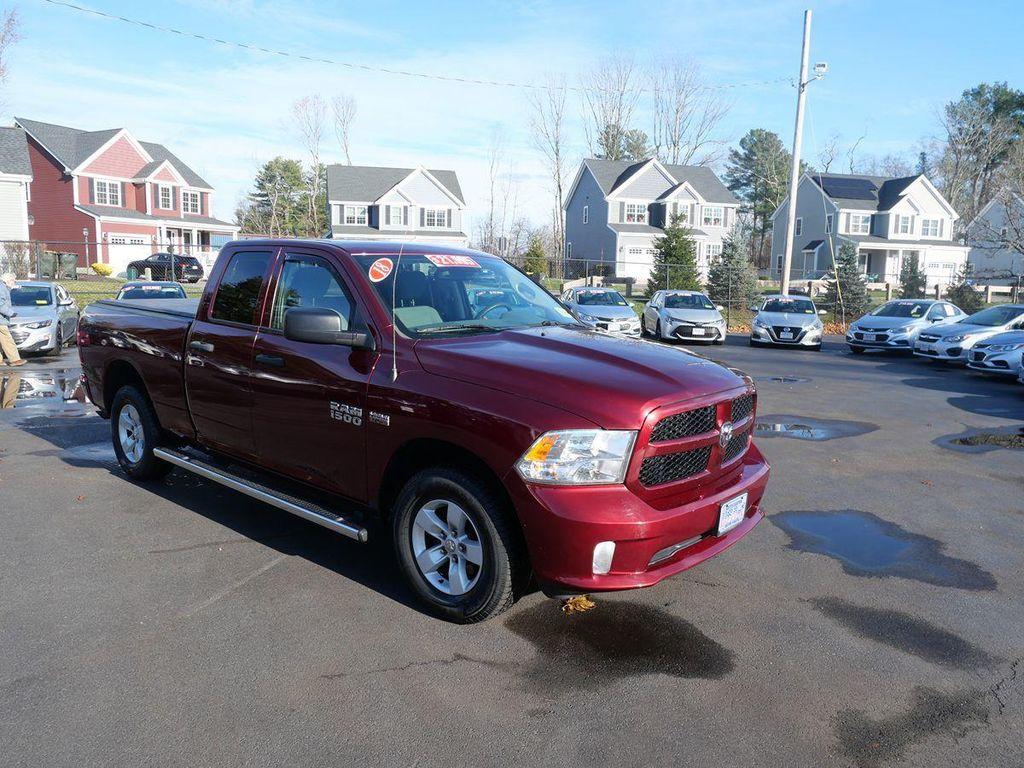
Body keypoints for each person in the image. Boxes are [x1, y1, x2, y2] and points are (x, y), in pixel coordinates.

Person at [0, 273, 25, 367]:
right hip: (1, 320)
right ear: (8, 280)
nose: (14, 282)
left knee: (2, 340)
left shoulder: (3, 288)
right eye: (13, 280)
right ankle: (15, 360)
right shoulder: (2, 288)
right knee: (7, 340)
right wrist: (11, 313)